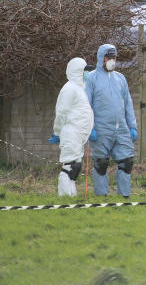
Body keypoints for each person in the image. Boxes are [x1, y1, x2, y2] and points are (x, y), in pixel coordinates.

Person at [85, 44, 138, 197]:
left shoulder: (120, 78)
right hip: (101, 130)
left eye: (114, 57)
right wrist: (91, 128)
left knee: (126, 162)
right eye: (109, 57)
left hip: (121, 129)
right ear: (101, 58)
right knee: (101, 163)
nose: (112, 61)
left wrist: (132, 127)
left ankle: (124, 196)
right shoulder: (92, 78)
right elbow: (86, 105)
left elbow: (128, 103)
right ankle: (102, 197)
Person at [49, 57, 94, 197]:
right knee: (70, 167)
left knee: (75, 167)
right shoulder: (69, 89)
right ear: (76, 71)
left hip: (78, 135)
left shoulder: (81, 88)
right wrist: (57, 132)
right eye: (84, 70)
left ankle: (71, 196)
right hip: (70, 132)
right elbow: (62, 112)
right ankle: (65, 197)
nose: (87, 73)